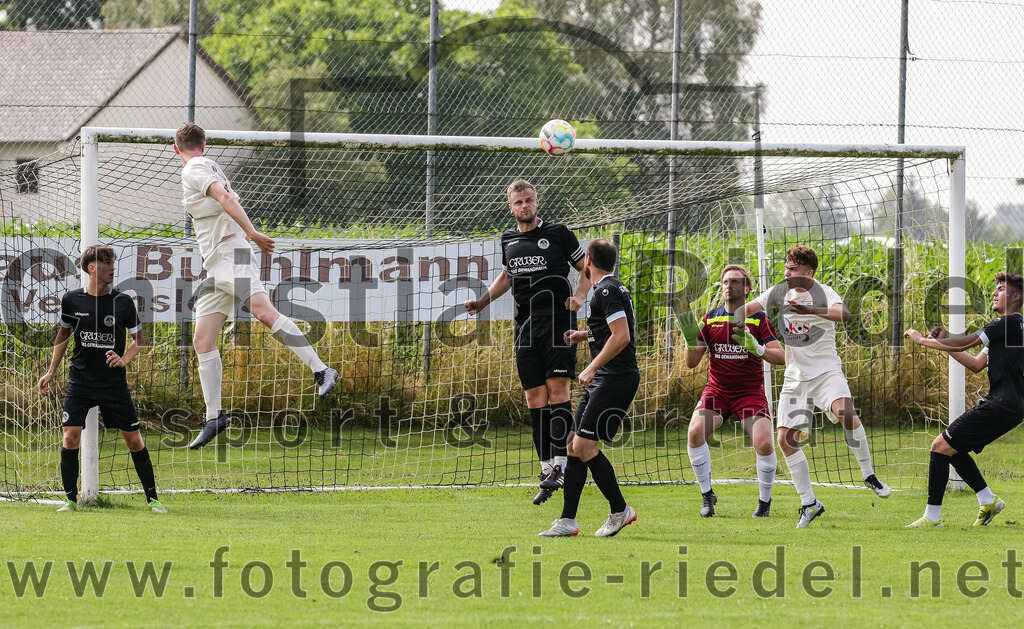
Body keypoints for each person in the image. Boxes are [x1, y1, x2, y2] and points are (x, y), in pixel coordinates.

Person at [174, 123, 337, 449]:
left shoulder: (194, 168)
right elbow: (221, 199)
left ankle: (322, 370)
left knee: (263, 311)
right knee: (203, 339)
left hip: (231, 253)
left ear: (176, 149)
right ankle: (214, 417)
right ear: (204, 143)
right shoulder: (207, 163)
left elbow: (222, 197)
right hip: (215, 265)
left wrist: (252, 233)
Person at [745, 245, 891, 528]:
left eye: (793, 269)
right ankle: (809, 503)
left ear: (808, 273)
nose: (786, 273)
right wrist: (730, 313)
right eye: (786, 268)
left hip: (826, 372)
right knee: (786, 440)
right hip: (795, 376)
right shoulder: (779, 292)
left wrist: (809, 309)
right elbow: (750, 308)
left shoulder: (823, 292)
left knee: (845, 412)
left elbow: (844, 314)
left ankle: (868, 474)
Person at [464, 179, 590, 505]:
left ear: (537, 202)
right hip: (525, 331)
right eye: (519, 202)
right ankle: (547, 469)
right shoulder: (508, 239)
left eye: (529, 200)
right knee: (535, 399)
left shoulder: (559, 233)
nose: (525, 206)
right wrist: (482, 302)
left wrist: (578, 296)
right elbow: (507, 276)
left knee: (558, 393)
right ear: (511, 206)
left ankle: (562, 465)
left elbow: (588, 268)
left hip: (558, 327)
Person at [37, 245, 165, 513]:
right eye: (107, 263)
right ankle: (71, 500)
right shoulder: (72, 300)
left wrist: (124, 359)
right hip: (80, 381)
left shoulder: (123, 302)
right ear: (92, 268)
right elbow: (62, 338)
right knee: (70, 437)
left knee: (133, 440)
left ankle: (153, 499)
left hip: (112, 384)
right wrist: (51, 371)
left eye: (113, 262)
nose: (112, 267)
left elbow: (140, 340)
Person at [904, 272, 1024, 527]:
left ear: (1016, 296)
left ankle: (932, 517)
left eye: (1001, 289)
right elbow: (976, 364)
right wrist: (945, 339)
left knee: (939, 446)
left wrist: (922, 340)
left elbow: (964, 343)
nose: (994, 293)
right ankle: (988, 500)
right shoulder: (1011, 327)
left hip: (1001, 404)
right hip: (1011, 407)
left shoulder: (1004, 324)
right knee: (953, 447)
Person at [539, 238, 639, 537]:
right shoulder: (611, 287)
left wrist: (592, 366)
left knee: (583, 446)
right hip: (607, 376)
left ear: (588, 264)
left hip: (615, 377)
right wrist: (585, 335)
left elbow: (621, 336)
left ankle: (620, 510)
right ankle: (567, 521)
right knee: (572, 443)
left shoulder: (605, 290)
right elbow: (612, 329)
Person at [678, 265, 785, 518]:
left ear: (747, 288)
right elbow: (692, 362)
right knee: (694, 433)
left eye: (735, 281)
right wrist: (689, 339)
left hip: (749, 392)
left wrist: (756, 347)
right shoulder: (711, 318)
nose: (729, 285)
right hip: (718, 391)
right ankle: (707, 496)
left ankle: (764, 503)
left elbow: (780, 356)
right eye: (725, 281)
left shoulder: (758, 320)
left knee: (764, 442)